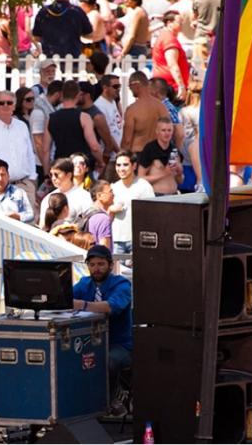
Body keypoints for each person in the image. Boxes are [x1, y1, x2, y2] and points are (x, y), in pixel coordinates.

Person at [71, 245, 133, 416]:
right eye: (92, 265)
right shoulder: (84, 283)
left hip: (120, 345)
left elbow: (111, 307)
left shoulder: (122, 284)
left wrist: (82, 305)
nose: (96, 269)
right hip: (90, 342)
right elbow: (65, 298)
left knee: (109, 360)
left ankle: (113, 398)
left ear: (111, 265)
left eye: (101, 264)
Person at [0, 90, 39, 204]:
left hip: (24, 185)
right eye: (1, 103)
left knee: (27, 221)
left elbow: (30, 154)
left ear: (14, 106)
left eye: (9, 103)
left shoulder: (22, 126)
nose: (6, 105)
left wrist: (32, 177)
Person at [109, 152, 154, 256]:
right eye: (118, 165)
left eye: (125, 164)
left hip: (136, 240)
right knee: (117, 272)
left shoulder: (144, 186)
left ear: (134, 166)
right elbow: (106, 213)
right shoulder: (113, 187)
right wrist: (111, 209)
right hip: (117, 240)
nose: (121, 168)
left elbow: (152, 214)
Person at [121, 71, 169, 154]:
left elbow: (127, 140)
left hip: (139, 154)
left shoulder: (132, 110)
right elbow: (168, 131)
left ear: (136, 85)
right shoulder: (161, 106)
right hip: (158, 154)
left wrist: (122, 155)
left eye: (130, 86)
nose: (130, 89)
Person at [0, 158, 35, 223]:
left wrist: (19, 216)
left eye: (3, 175)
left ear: (8, 175)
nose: (0, 179)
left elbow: (30, 215)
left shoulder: (19, 192)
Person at [151, 11, 190, 101]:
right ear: (169, 23)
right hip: (170, 87)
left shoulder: (165, 36)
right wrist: (181, 86)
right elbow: (172, 64)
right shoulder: (169, 39)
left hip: (165, 85)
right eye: (179, 22)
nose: (182, 25)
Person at [139, 119, 184, 196]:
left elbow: (180, 181)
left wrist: (179, 173)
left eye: (169, 130)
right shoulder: (150, 149)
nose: (167, 133)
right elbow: (140, 179)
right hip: (157, 196)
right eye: (163, 130)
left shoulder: (174, 149)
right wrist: (164, 173)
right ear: (157, 131)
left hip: (175, 195)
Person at [86, 180, 115, 248]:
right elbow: (104, 249)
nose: (113, 194)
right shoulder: (103, 218)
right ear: (99, 195)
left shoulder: (87, 213)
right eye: (110, 192)